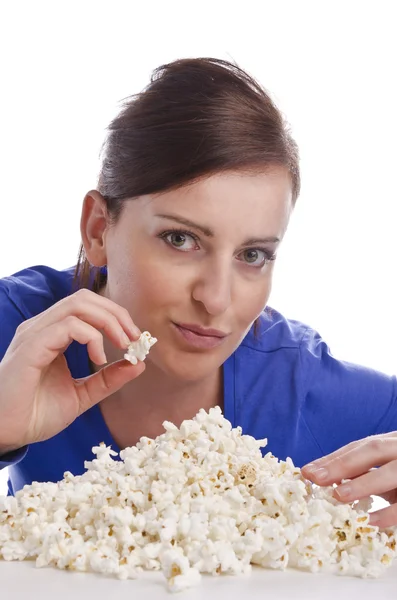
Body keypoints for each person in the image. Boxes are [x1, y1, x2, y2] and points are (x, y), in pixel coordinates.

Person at [0, 57, 396, 528]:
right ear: (99, 230)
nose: (216, 299)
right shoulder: (17, 330)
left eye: (252, 255)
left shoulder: (298, 384)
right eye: (181, 240)